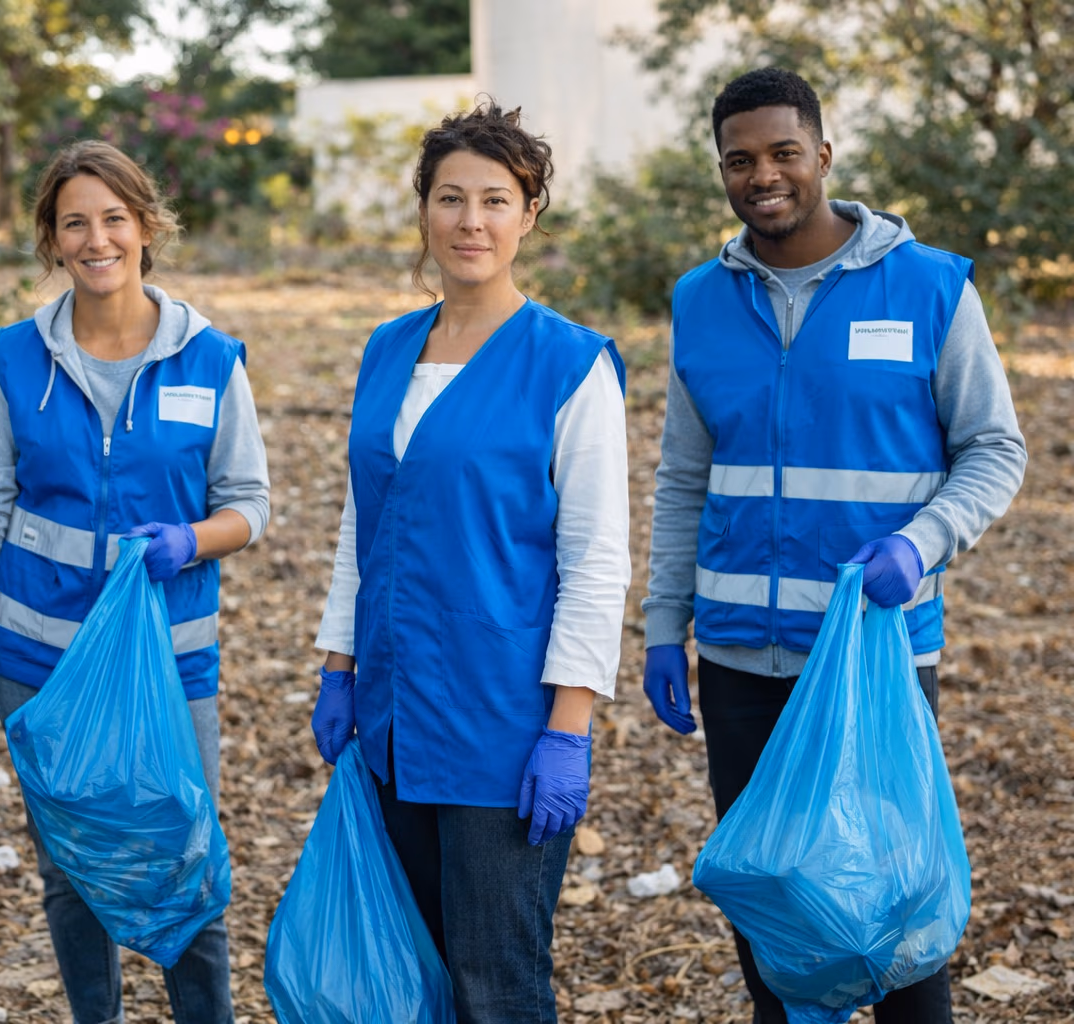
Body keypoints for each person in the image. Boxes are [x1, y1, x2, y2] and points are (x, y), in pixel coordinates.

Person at [641, 67, 1027, 1022]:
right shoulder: (701, 299)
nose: (763, 175)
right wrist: (661, 626)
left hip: (872, 655)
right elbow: (685, 476)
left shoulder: (929, 287)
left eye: (783, 152)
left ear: (822, 154)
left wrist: (923, 543)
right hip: (739, 657)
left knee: (894, 924)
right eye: (740, 160)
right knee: (774, 919)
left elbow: (995, 449)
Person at [310, 101, 631, 1023]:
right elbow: (363, 522)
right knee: (415, 974)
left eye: (496, 200)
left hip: (505, 719)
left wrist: (568, 730)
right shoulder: (387, 350)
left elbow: (596, 559)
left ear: (529, 214)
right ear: (424, 211)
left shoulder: (571, 365)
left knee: (497, 984)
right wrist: (338, 666)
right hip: (393, 710)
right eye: (450, 198)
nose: (471, 221)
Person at [0, 139, 269, 1024]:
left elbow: (250, 503)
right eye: (74, 222)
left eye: (114, 219)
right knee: (72, 871)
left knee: (185, 862)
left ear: (146, 227)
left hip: (168, 664)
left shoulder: (210, 358)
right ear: (51, 238)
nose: (97, 240)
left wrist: (191, 541)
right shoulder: (16, 358)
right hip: (38, 661)